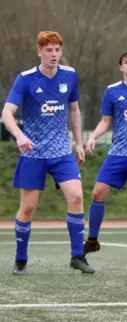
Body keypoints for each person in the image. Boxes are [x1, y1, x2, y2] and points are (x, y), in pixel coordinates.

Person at [1, 31, 95, 275]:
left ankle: (77, 256)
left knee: (76, 197)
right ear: (39, 51)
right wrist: (20, 136)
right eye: (49, 50)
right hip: (33, 153)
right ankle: (21, 258)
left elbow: (74, 110)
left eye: (57, 50)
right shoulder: (26, 79)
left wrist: (79, 143)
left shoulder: (70, 76)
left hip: (61, 151)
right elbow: (7, 114)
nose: (54, 54)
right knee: (28, 207)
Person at [83, 51, 127, 259]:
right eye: (126, 62)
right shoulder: (112, 91)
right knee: (98, 193)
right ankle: (92, 240)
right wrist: (93, 136)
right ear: (121, 67)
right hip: (118, 152)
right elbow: (106, 121)